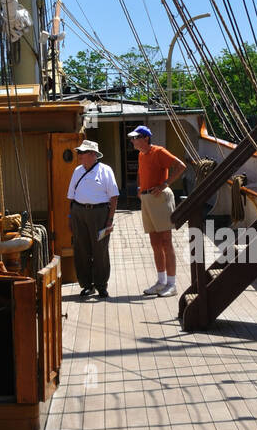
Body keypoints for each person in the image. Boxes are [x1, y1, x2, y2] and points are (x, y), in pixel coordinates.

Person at [128, 126, 186, 297]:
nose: (132, 141)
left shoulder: (159, 151)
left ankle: (172, 284)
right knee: (155, 243)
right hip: (147, 199)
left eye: (135, 137)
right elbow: (140, 173)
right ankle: (161, 282)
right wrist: (139, 188)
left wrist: (164, 184)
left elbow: (181, 166)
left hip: (160, 198)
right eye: (131, 138)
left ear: (145, 138)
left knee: (166, 241)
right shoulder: (141, 155)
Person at [67, 139, 119, 300]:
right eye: (79, 153)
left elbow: (114, 197)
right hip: (78, 213)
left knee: (100, 251)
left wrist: (110, 220)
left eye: (82, 153)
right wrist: (70, 217)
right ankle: (87, 285)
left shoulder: (106, 170)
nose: (79, 156)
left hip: (100, 214)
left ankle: (101, 285)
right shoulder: (77, 171)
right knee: (81, 250)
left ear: (92, 154)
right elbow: (71, 197)